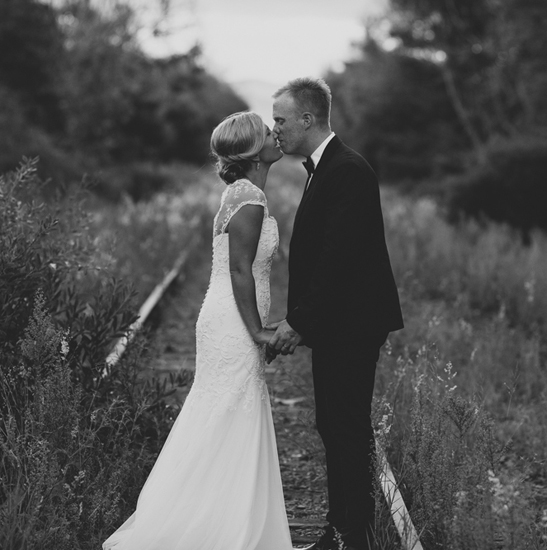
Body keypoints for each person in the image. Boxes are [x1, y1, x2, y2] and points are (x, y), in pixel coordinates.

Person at [102, 112, 293, 550]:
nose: (274, 135)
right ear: (251, 150)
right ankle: (219, 529)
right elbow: (239, 270)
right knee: (229, 410)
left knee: (223, 412)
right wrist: (260, 332)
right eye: (267, 132)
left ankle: (224, 520)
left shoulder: (244, 192)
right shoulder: (249, 200)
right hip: (233, 321)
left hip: (225, 315)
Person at [268, 78, 404, 550]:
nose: (276, 129)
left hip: (352, 324)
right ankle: (340, 528)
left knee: (345, 426)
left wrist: (298, 321)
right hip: (338, 323)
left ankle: (354, 536)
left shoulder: (347, 169)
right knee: (334, 424)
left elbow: (337, 258)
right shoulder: (323, 167)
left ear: (308, 119)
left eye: (281, 120)